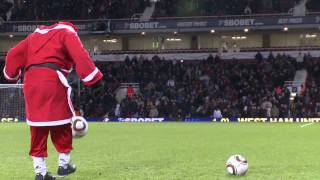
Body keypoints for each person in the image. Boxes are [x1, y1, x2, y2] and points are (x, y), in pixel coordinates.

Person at [3, 21, 103, 180]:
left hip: (31, 83)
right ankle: (64, 165)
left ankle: (40, 172)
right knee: (62, 124)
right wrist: (93, 78)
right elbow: (80, 54)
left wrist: (11, 74)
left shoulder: (33, 37)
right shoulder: (67, 32)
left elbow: (13, 54)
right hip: (53, 80)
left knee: (37, 128)